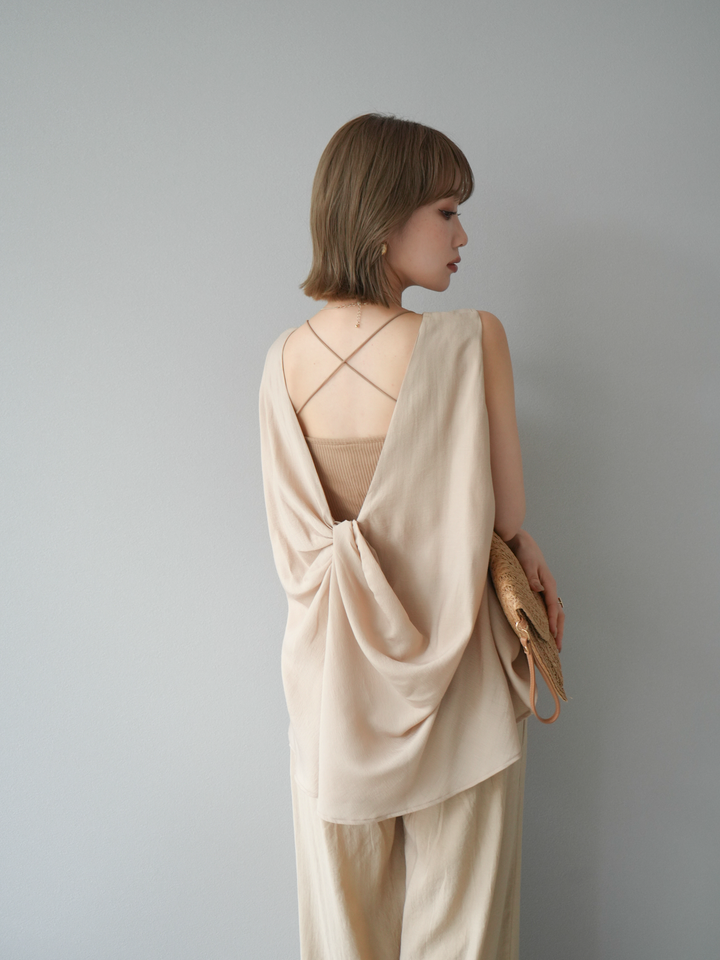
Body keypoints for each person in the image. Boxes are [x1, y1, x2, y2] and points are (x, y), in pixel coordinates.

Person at [258, 113, 565, 960]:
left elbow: (295, 546)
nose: (463, 236)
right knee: (463, 936)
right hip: (459, 686)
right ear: (382, 215)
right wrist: (525, 546)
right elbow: (506, 517)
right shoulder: (473, 339)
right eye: (446, 211)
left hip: (334, 699)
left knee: (343, 934)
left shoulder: (280, 363)